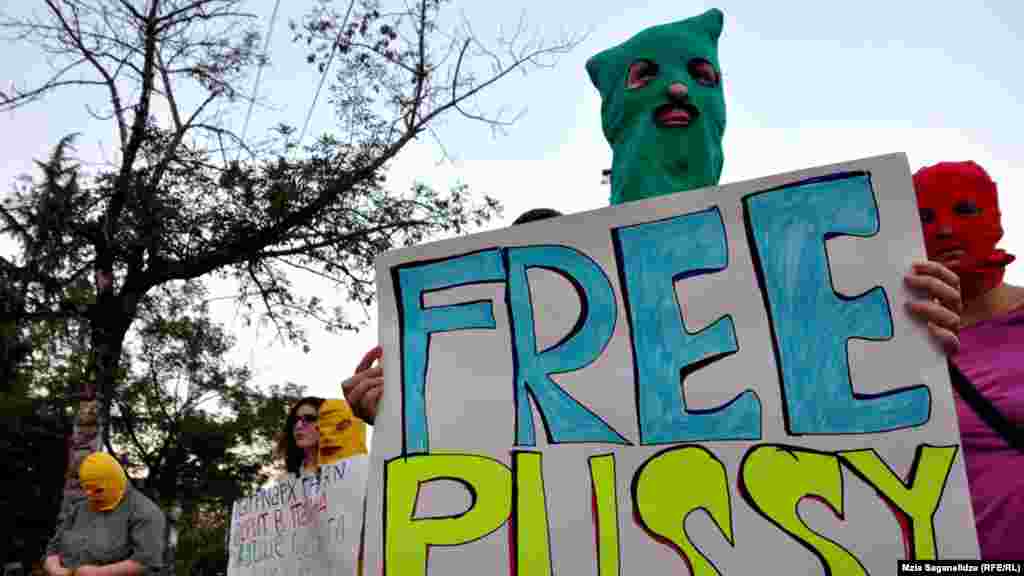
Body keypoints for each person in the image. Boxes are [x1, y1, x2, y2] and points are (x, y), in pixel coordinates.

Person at [913, 160, 1024, 560]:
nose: (944, 229)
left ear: (995, 219)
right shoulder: (899, 340)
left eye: (964, 210)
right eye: (925, 217)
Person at [43, 453, 165, 576]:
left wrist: (98, 573)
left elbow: (146, 563)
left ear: (115, 481)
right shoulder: (79, 508)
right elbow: (53, 549)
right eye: (86, 488)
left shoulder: (146, 512)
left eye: (98, 490)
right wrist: (55, 569)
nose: (90, 495)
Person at [275, 396, 327, 477]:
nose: (298, 426)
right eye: (295, 420)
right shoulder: (286, 480)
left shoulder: (347, 467)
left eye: (309, 419)